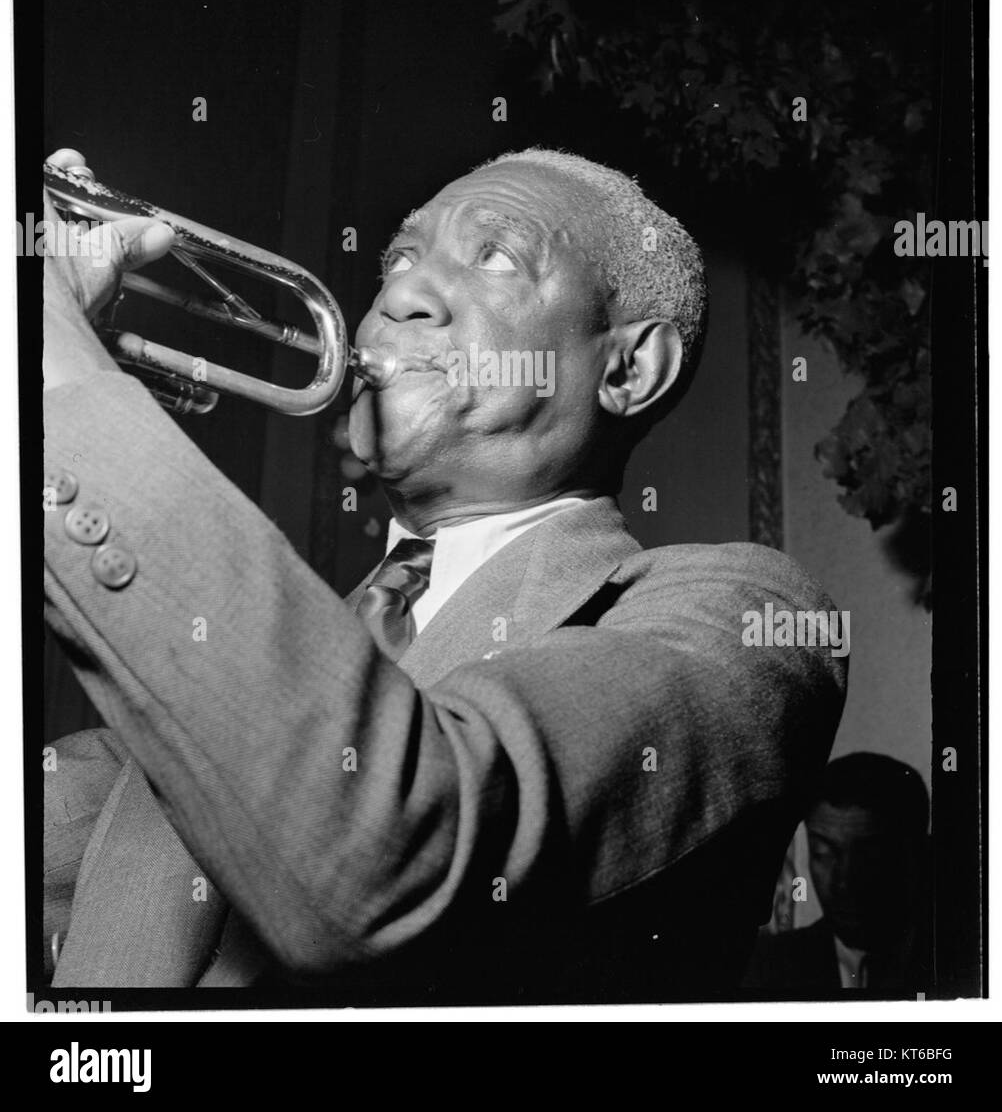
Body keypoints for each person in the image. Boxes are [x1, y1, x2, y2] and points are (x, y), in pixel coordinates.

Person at [42, 145, 847, 1001]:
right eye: (399, 260)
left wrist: (61, 373)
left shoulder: (744, 621)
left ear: (627, 367)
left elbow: (387, 836)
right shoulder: (204, 674)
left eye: (494, 255)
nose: (395, 297)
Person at [743, 752, 931, 997]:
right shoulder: (763, 967)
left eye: (870, 857)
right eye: (822, 853)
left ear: (916, 853)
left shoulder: (965, 959)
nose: (843, 882)